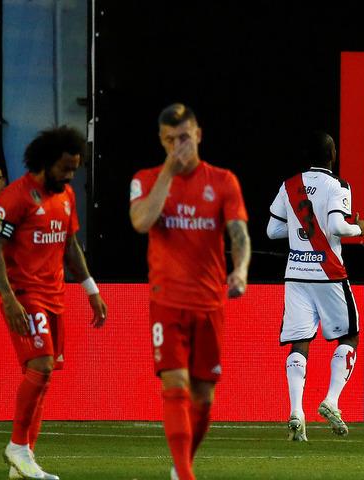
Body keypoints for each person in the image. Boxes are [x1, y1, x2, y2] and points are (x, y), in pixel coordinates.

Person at [129, 104, 250, 480]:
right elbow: (141, 221)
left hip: (210, 302)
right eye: (169, 139)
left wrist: (241, 270)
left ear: (198, 134)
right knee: (176, 385)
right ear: (161, 141)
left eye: (183, 136)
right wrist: (168, 169)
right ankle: (185, 474)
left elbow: (238, 233)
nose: (177, 145)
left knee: (204, 399)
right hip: (167, 301)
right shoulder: (146, 179)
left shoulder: (223, 180)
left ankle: (181, 467)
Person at [0, 126, 107, 479]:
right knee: (40, 365)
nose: (70, 175)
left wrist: (90, 289)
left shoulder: (66, 195)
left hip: (56, 297)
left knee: (44, 374)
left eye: (74, 168)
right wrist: (7, 299)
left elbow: (70, 245)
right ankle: (17, 447)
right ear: (45, 162)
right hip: (25, 295)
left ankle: (23, 463)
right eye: (65, 168)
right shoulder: (15, 197)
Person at [266, 131, 364, 442]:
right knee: (350, 335)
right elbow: (338, 226)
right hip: (328, 272)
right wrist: (358, 229)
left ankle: (296, 410)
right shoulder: (338, 185)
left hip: (296, 272)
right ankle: (331, 400)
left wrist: (299, 229)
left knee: (300, 341)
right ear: (332, 154)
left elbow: (272, 230)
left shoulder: (289, 185)